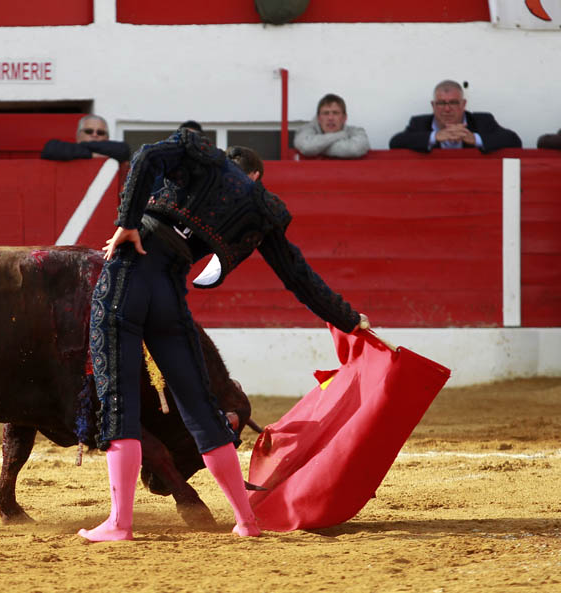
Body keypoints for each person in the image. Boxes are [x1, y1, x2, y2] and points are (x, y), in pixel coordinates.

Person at [78, 128, 369, 542]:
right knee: (200, 407)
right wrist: (350, 318)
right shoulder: (259, 209)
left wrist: (126, 223)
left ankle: (120, 523)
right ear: (254, 176)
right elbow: (299, 278)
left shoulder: (198, 154)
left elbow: (143, 157)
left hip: (129, 272)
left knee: (119, 400)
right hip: (170, 292)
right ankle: (246, 521)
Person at [389, 80, 521, 153]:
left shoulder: (482, 121)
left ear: (463, 104)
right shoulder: (419, 123)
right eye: (441, 103)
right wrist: (434, 137)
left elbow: (514, 140)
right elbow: (395, 143)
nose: (447, 109)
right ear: (433, 105)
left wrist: (475, 139)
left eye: (453, 102)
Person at [294, 94, 369, 159]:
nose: (330, 118)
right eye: (326, 113)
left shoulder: (356, 131)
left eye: (335, 113)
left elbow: (355, 149)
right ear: (319, 118)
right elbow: (306, 147)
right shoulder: (306, 129)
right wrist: (339, 135)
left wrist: (316, 148)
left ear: (344, 118)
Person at [40, 114, 130, 162]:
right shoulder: (64, 149)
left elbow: (124, 150)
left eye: (100, 132)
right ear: (78, 136)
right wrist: (90, 155)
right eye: (89, 131)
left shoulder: (117, 150)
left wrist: (82, 147)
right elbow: (50, 148)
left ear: (107, 137)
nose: (95, 135)